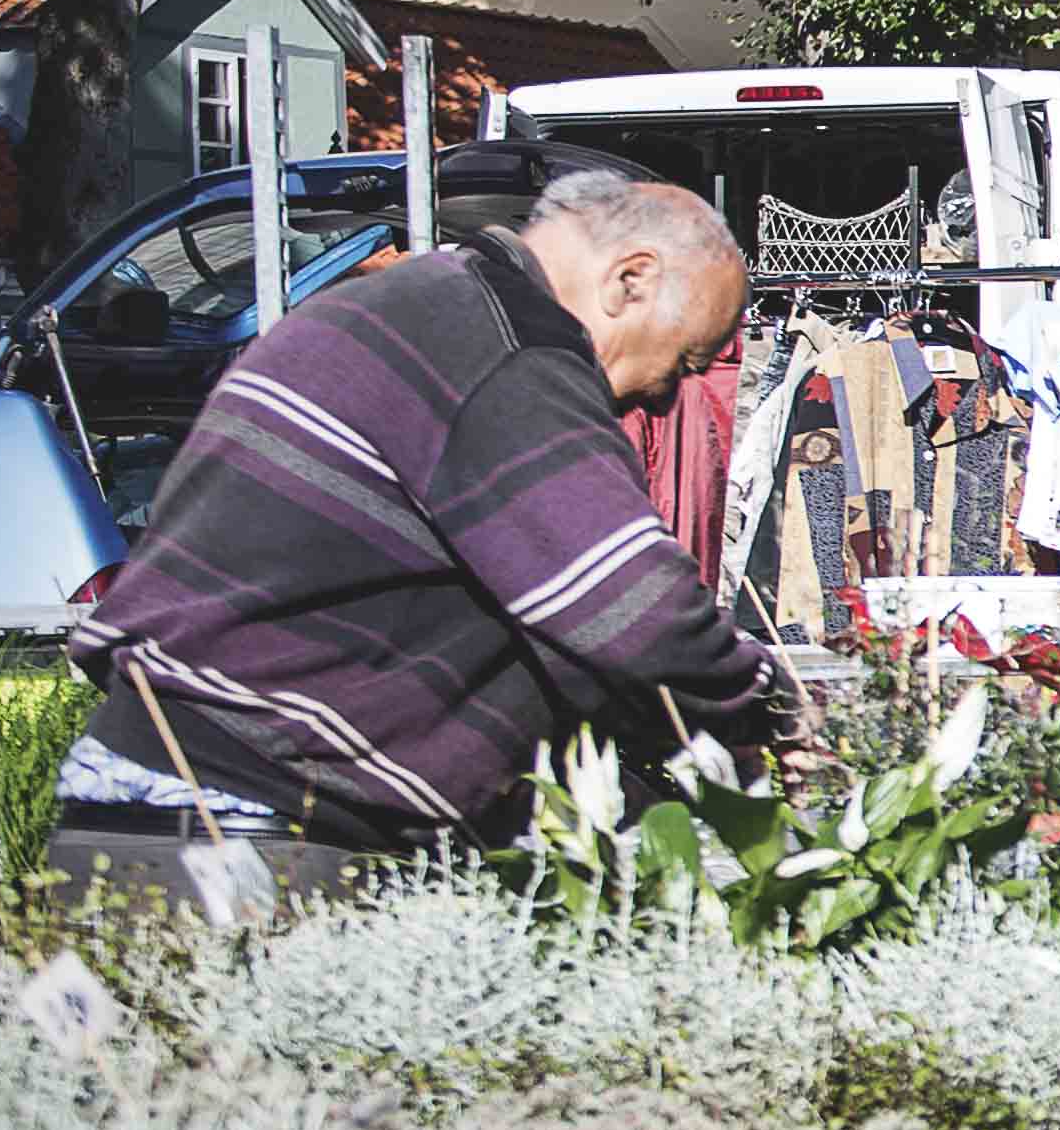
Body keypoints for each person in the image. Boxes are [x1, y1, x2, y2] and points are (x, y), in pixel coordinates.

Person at [61, 169, 783, 892]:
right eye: (685, 361)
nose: (666, 397)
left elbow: (557, 638)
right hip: (255, 829)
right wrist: (773, 712)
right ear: (631, 280)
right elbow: (636, 617)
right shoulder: (509, 350)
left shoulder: (405, 307)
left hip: (143, 805)